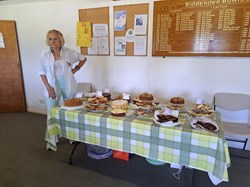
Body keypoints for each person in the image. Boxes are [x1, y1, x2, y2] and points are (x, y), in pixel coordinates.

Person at [39, 29, 87, 150]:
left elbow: (83, 58)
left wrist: (75, 70)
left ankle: (71, 137)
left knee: (70, 111)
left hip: (68, 84)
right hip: (52, 85)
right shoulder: (44, 54)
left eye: (55, 39)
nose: (52, 42)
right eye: (50, 39)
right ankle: (51, 140)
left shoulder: (68, 52)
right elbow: (42, 73)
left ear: (61, 40)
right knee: (52, 113)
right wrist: (49, 88)